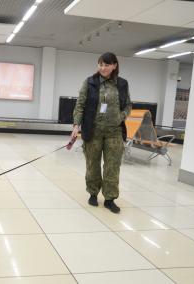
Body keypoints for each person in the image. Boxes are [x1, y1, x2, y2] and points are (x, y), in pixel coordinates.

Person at [70, 52, 131, 213]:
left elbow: (128, 106)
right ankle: (93, 193)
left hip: (114, 132)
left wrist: (120, 117)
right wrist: (76, 125)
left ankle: (110, 199)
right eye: (100, 64)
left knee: (112, 166)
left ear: (114, 66)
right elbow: (80, 105)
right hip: (93, 130)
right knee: (93, 165)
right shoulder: (90, 82)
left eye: (106, 64)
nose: (103, 68)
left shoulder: (122, 84)